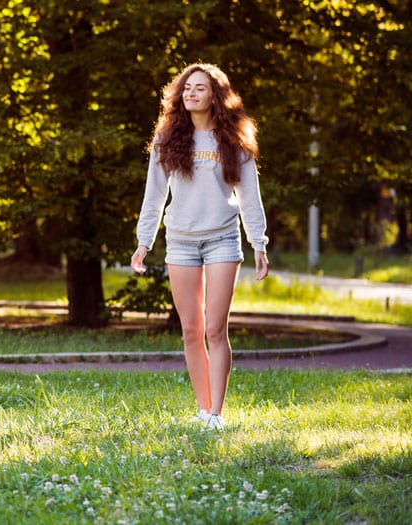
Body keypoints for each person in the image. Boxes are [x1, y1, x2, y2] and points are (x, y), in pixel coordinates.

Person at [130, 63, 270, 430]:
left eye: (199, 88)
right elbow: (154, 195)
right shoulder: (166, 140)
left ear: (215, 96)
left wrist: (259, 241)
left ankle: (217, 415)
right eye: (186, 88)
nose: (190, 93)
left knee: (214, 330)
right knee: (191, 330)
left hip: (223, 238)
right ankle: (203, 408)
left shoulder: (234, 142)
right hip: (180, 242)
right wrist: (144, 240)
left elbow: (250, 197)